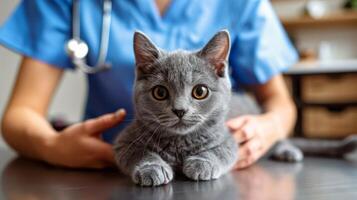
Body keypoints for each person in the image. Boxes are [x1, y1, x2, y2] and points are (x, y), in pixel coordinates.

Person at [0, 0, 297, 169]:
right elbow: (19, 114)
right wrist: (51, 145)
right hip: (97, 166)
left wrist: (268, 129)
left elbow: (280, 105)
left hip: (222, 157)